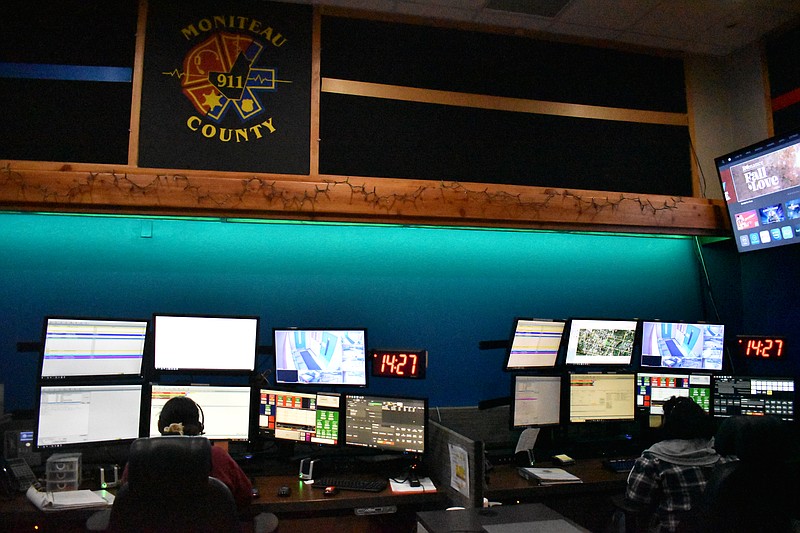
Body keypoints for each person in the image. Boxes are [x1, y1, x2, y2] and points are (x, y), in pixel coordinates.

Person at [623, 396, 724, 533]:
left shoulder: (654, 459)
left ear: (668, 423)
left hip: (669, 529)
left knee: (619, 517)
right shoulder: (724, 459)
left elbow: (634, 502)